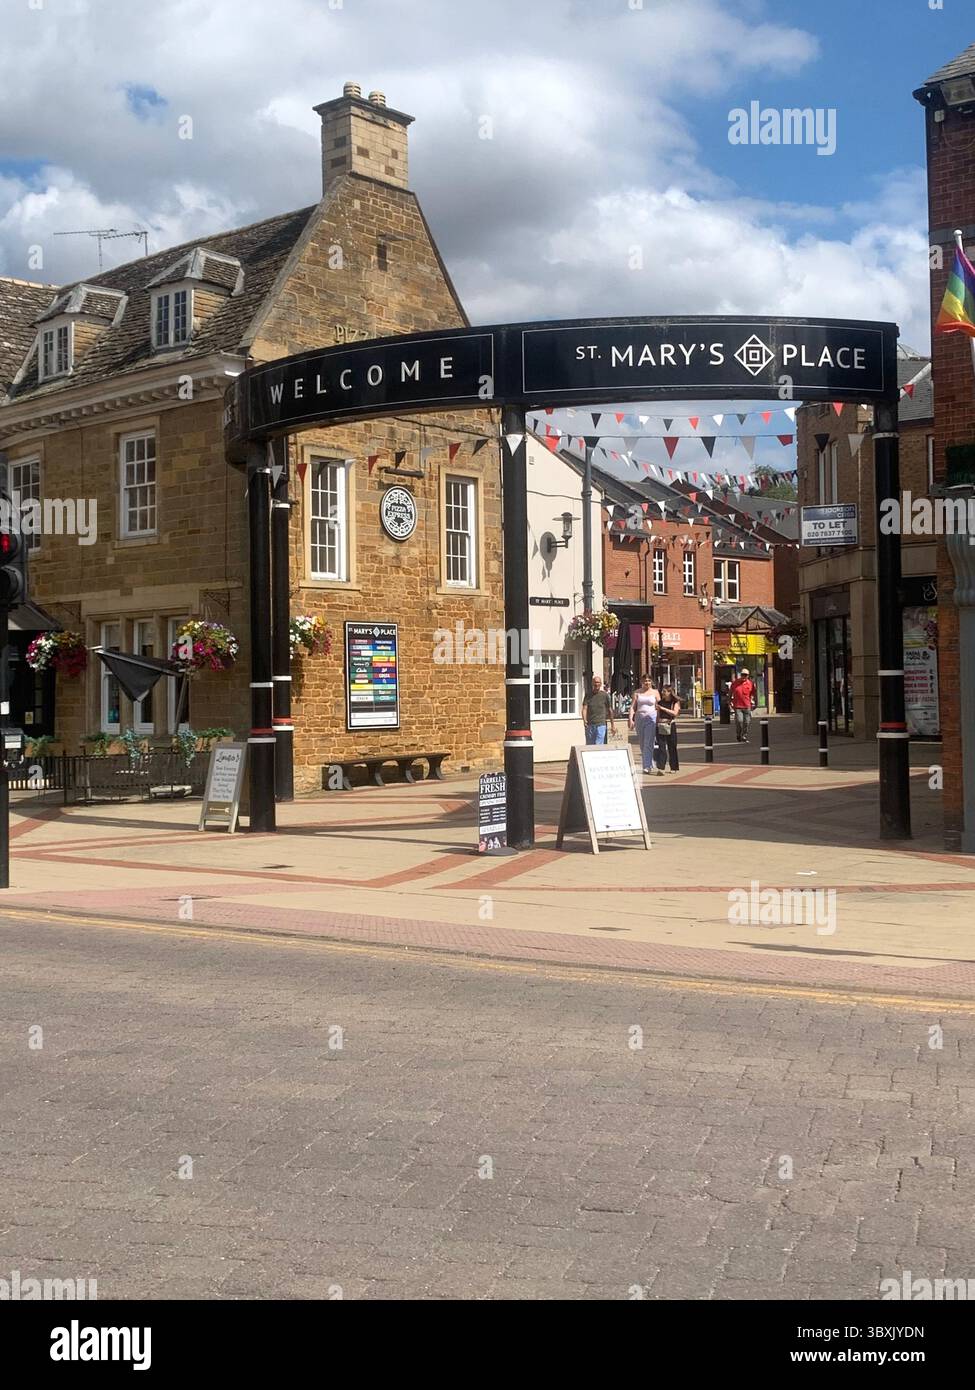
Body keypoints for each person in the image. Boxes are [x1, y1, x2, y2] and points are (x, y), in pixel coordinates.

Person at [628, 672, 661, 774]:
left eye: (649, 680)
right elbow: (633, 707)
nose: (647, 682)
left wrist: (659, 719)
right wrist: (630, 718)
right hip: (639, 718)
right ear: (642, 682)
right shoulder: (637, 693)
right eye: (645, 680)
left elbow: (659, 706)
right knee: (642, 743)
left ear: (651, 682)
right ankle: (649, 763)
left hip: (651, 718)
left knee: (649, 742)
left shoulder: (655, 692)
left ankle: (646, 766)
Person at [582, 674, 616, 745]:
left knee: (599, 744)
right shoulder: (588, 695)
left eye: (598, 682)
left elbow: (609, 710)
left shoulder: (605, 695)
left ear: (600, 684)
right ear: (592, 683)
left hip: (601, 724)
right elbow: (585, 708)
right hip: (590, 724)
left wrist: (612, 725)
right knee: (590, 745)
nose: (596, 684)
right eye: (595, 682)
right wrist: (584, 720)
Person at [655, 685, 681, 772]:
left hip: (670, 725)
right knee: (661, 747)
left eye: (664, 691)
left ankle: (674, 767)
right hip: (661, 725)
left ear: (670, 692)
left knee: (672, 746)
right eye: (662, 691)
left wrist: (663, 708)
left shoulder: (675, 702)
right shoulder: (660, 702)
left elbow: (675, 713)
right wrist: (657, 723)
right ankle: (661, 767)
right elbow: (657, 715)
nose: (662, 693)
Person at [730, 668, 757, 743]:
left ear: (748, 676)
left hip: (747, 706)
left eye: (745, 675)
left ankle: (744, 735)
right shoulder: (735, 683)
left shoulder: (750, 684)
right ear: (740, 675)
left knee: (747, 722)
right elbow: (730, 692)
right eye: (742, 674)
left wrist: (755, 703)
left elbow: (754, 694)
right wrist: (729, 702)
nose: (744, 676)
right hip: (738, 706)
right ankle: (738, 734)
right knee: (739, 721)